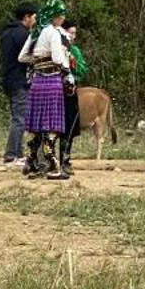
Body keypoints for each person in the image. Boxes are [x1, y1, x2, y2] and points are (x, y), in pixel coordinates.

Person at [22, 0, 71, 181]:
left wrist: (38, 61)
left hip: (37, 82)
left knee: (36, 125)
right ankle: (52, 166)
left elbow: (23, 57)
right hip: (52, 82)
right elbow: (58, 59)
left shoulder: (36, 31)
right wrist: (63, 58)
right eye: (61, 15)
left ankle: (32, 163)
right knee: (52, 125)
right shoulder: (54, 33)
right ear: (55, 16)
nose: (63, 18)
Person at [0, 3, 37, 169]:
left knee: (19, 117)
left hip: (9, 79)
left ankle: (18, 154)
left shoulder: (7, 32)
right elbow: (32, 54)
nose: (36, 20)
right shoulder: (22, 34)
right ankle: (11, 155)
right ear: (27, 17)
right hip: (19, 80)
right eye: (35, 16)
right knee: (20, 119)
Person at [60, 19, 87, 177]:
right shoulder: (57, 46)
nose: (73, 36)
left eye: (75, 33)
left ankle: (65, 159)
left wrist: (74, 65)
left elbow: (82, 69)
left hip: (70, 88)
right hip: (56, 89)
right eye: (70, 32)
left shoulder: (74, 50)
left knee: (69, 127)